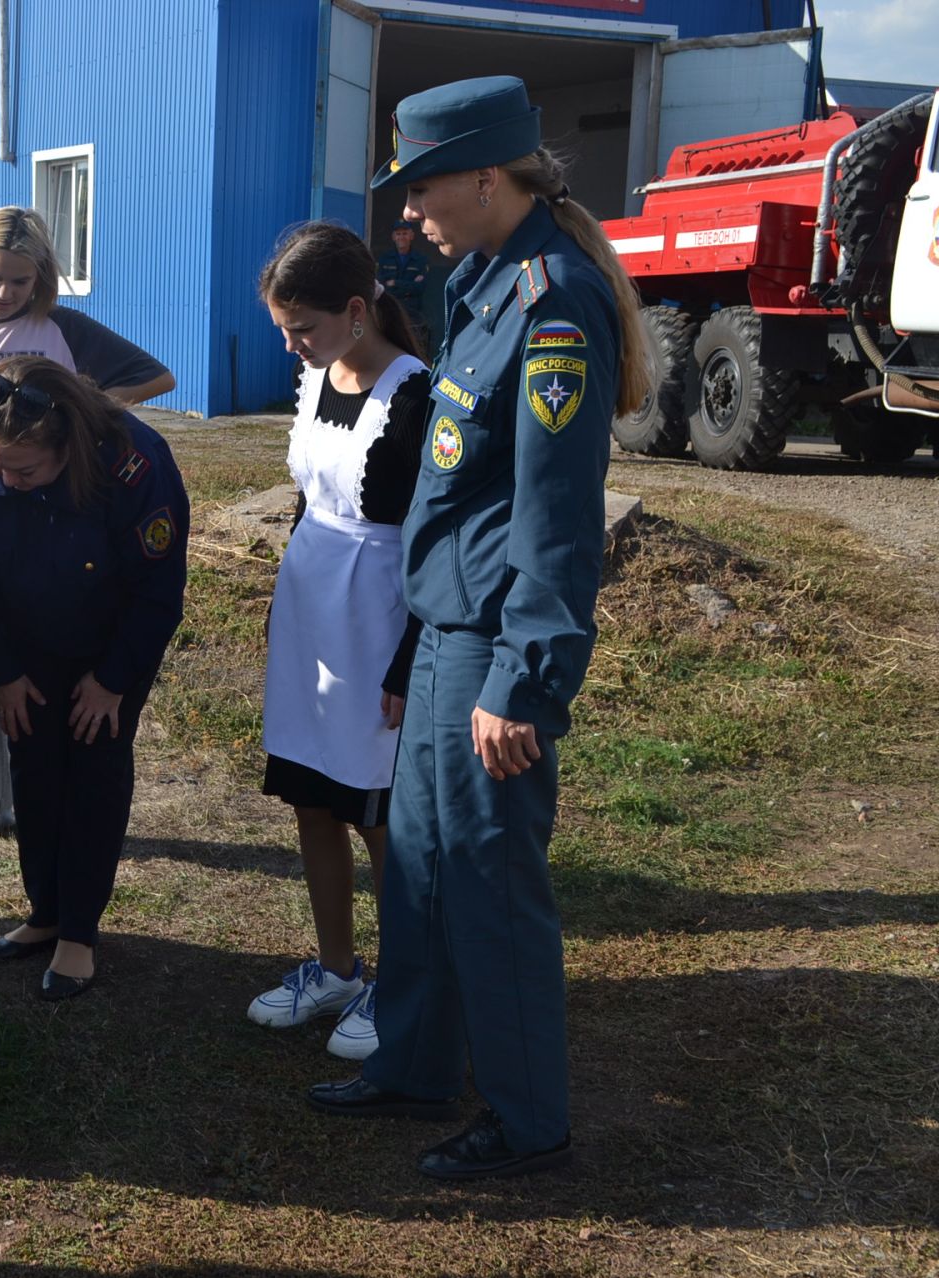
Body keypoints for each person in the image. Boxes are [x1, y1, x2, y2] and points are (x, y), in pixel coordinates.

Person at [305, 76, 651, 1181]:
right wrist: (424, 648)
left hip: (495, 648)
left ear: (489, 178)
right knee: (419, 866)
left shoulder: (553, 303)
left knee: (489, 881)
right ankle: (412, 1060)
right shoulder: (486, 282)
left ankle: (526, 1118)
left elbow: (556, 522)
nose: (408, 216)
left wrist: (526, 680)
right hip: (448, 636)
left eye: (420, 190)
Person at [0, 206, 174, 851]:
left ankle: (35, 794)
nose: (5, 293)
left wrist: (82, 412)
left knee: (47, 664)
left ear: (41, 277)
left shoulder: (61, 327)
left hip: (59, 522)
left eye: (20, 281)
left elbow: (158, 377)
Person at [0, 356, 189, 1000]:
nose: (7, 480)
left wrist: (112, 680)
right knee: (34, 768)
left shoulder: (134, 463)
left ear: (66, 446)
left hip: (109, 645)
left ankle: (79, 931)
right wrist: (2, 672)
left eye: (24, 470)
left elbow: (158, 591)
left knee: (94, 768)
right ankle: (43, 913)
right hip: (22, 649)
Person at [247, 222, 429, 1062]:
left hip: (379, 620)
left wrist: (407, 661)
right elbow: (309, 499)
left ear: (357, 312)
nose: (293, 346)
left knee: (376, 814)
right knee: (311, 795)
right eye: (285, 330)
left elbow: (437, 544)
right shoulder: (316, 378)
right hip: (312, 609)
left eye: (303, 329)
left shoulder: (418, 396)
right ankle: (337, 967)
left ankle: (404, 983)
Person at [376, 219, 432, 349]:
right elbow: (381, 287)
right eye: (398, 234)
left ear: (411, 236)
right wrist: (409, 285)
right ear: (393, 237)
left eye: (405, 233)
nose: (401, 237)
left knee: (414, 348)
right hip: (390, 313)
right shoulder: (384, 259)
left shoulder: (421, 260)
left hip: (413, 315)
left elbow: (420, 288)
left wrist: (395, 283)